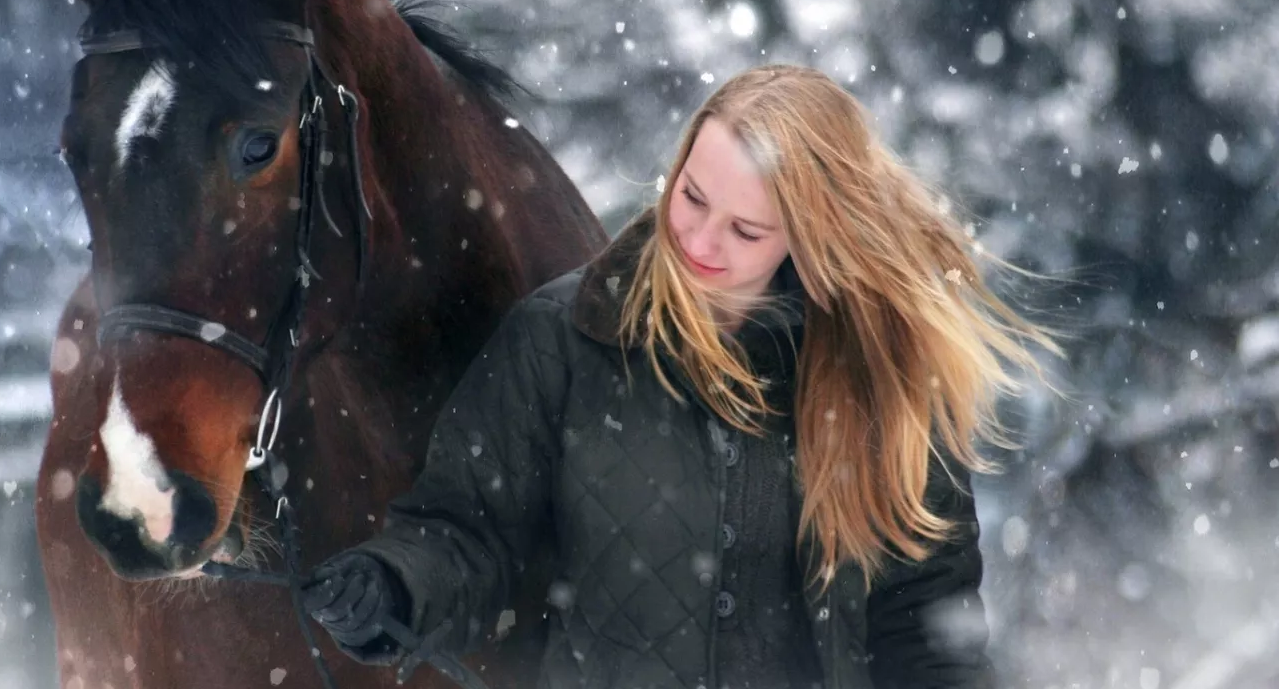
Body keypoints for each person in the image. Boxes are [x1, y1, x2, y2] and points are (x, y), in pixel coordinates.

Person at [300, 64, 1056, 689]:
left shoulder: (883, 379)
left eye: (746, 229)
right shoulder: (562, 339)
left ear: (810, 238)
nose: (699, 240)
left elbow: (926, 622)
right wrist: (393, 581)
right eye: (692, 197)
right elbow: (470, 536)